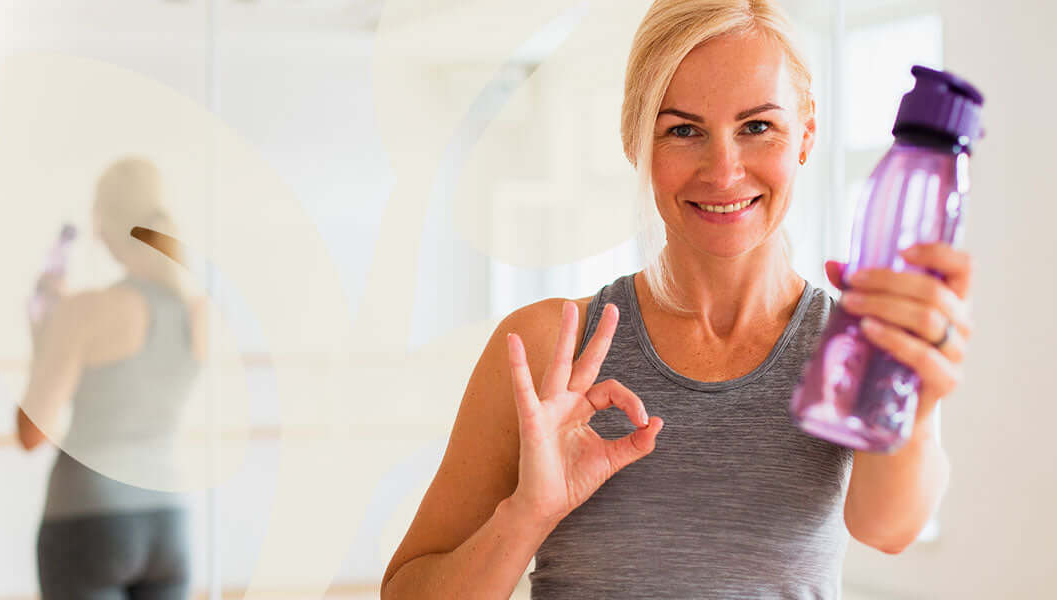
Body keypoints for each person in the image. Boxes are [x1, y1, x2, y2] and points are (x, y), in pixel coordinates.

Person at [379, 1, 973, 597]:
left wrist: (918, 404)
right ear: (635, 141)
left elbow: (887, 529)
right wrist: (529, 512)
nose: (723, 171)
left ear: (806, 134)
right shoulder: (547, 348)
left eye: (757, 127)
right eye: (683, 130)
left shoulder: (850, 344)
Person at [16, 156, 212, 600]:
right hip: (168, 519)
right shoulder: (197, 312)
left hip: (89, 516)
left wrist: (45, 336)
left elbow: (31, 432)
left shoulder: (86, 311)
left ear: (103, 225)